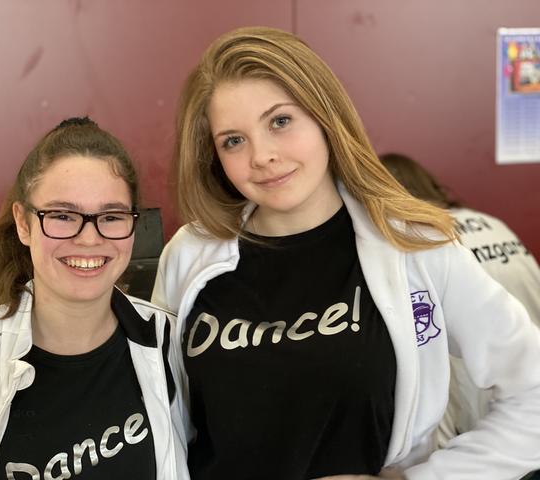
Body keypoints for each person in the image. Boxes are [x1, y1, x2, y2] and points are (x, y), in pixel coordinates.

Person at [151, 26, 540, 480]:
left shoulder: (415, 247)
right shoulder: (189, 255)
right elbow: (160, 418)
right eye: (233, 140)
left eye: (280, 121)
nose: (262, 156)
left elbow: (532, 390)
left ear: (325, 117)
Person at [0, 117, 189, 479]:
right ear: (23, 224)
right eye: (63, 215)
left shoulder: (171, 344)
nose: (89, 239)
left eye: (111, 216)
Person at [379, 151, 540, 445]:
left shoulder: (419, 244)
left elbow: (430, 351)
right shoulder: (490, 222)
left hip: (487, 413)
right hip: (527, 387)